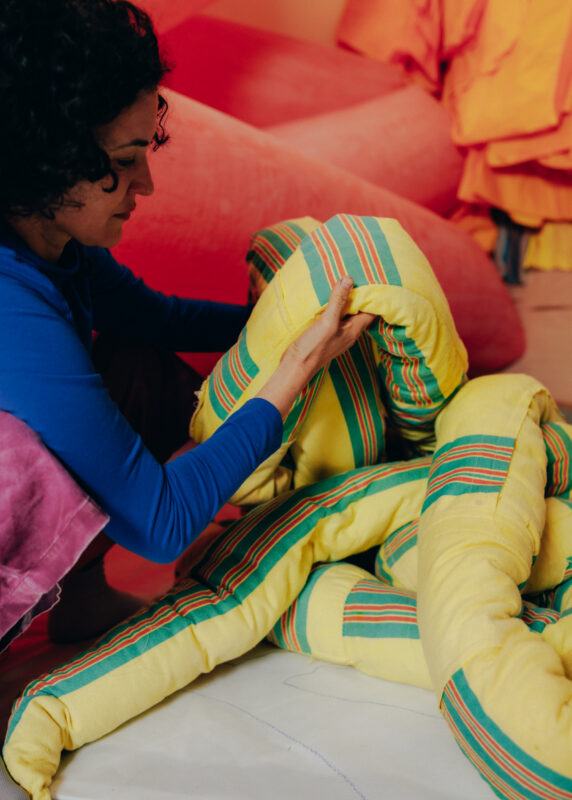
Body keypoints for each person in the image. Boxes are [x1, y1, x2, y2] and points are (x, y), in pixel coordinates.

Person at [0, 0, 374, 654]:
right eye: (126, 158)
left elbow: (160, 317)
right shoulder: (11, 303)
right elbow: (162, 523)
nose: (146, 183)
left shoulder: (57, 245)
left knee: (139, 366)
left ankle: (84, 603)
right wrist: (291, 375)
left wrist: (288, 319)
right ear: (49, 162)